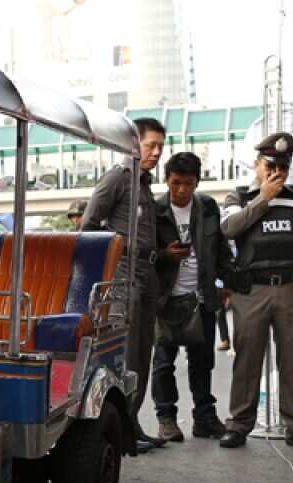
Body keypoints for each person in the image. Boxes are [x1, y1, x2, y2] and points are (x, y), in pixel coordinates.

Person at [218, 133, 293, 452]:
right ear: (257, 165)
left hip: (291, 289)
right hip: (252, 290)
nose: (277, 172)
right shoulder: (239, 196)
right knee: (247, 358)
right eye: (270, 165)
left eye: (283, 166)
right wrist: (263, 198)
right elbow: (229, 228)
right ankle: (239, 425)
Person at [81, 117, 168, 451]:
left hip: (148, 274)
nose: (156, 152)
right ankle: (121, 428)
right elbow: (89, 225)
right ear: (133, 145)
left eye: (161, 146)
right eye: (150, 145)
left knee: (143, 352)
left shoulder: (144, 185)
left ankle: (132, 423)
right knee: (126, 353)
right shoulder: (118, 179)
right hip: (123, 275)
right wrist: (116, 252)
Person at [151, 152, 232, 442]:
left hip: (202, 298)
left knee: (202, 361)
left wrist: (229, 281)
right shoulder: (154, 210)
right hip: (166, 299)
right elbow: (141, 253)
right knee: (163, 363)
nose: (181, 190)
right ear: (166, 181)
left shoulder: (208, 207)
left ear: (197, 182)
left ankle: (204, 418)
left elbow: (220, 248)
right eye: (176, 183)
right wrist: (164, 255)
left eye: (188, 183)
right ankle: (167, 419)